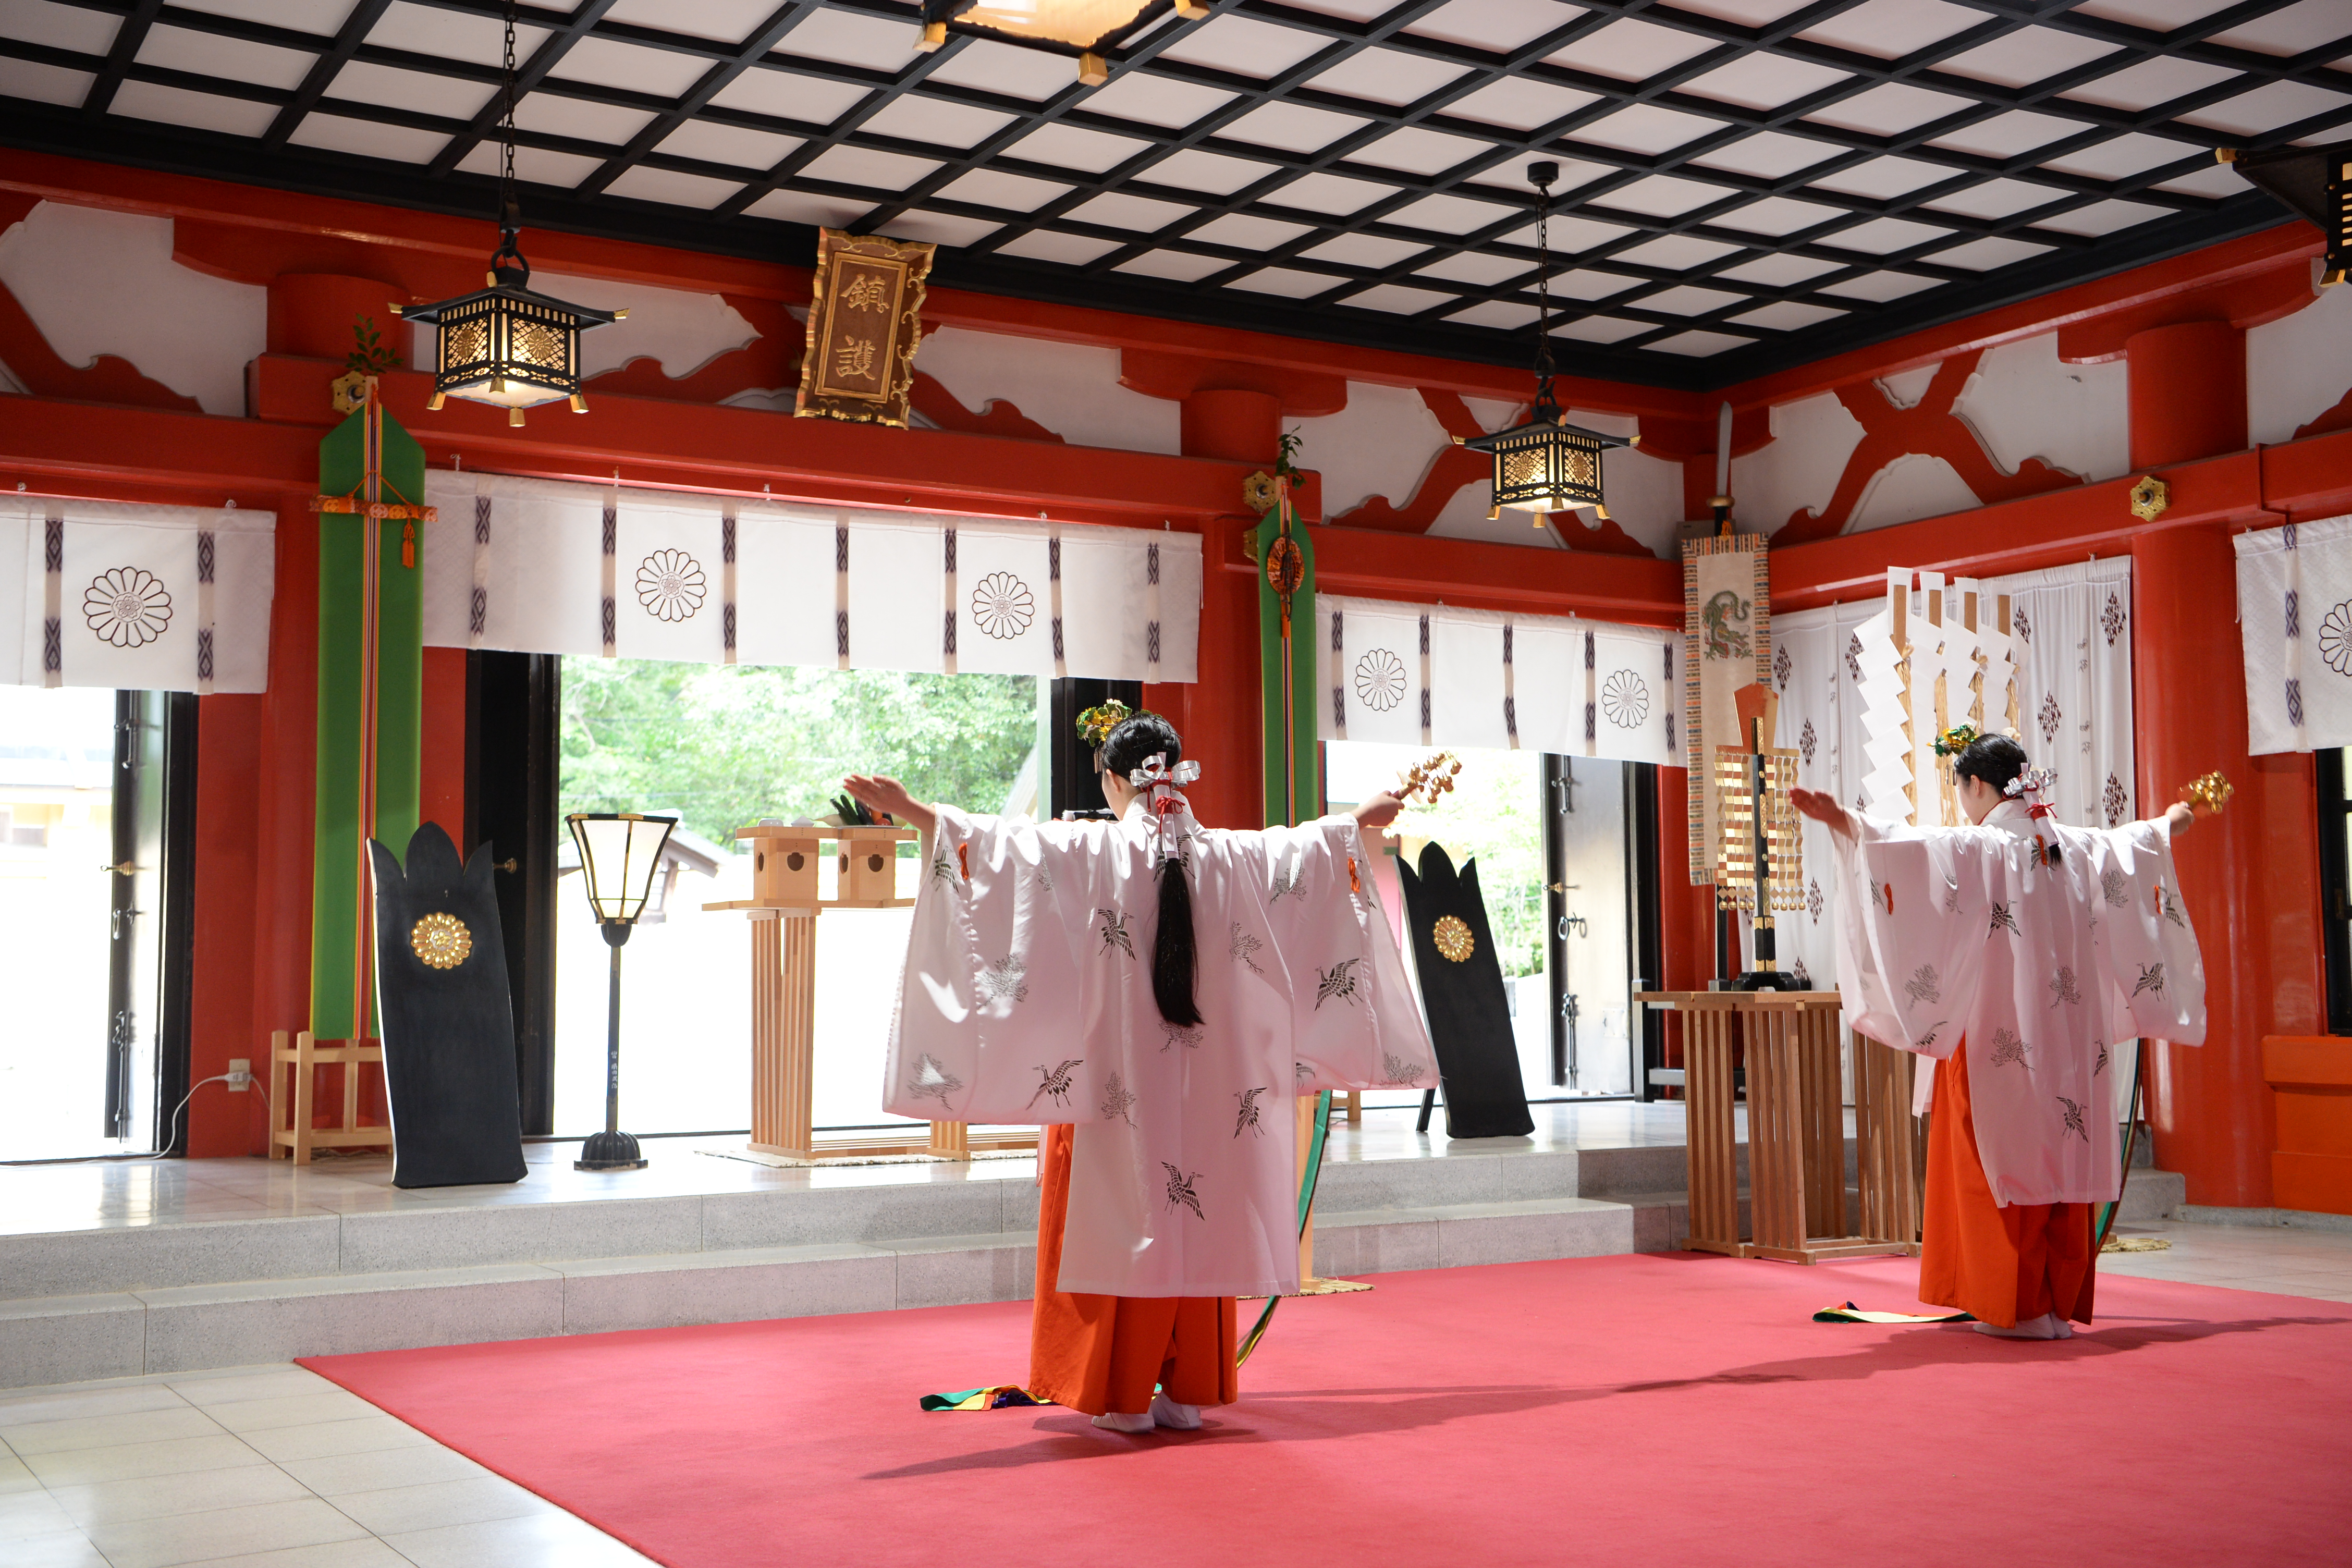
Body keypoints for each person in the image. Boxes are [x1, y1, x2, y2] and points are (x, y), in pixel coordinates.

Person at [844, 708, 1435, 1430]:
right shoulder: (1230, 856)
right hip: (1213, 1088)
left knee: (1125, 1213)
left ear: (1112, 781)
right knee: (1199, 1208)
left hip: (1121, 1086)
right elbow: (1306, 849)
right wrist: (1360, 819)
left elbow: (997, 848)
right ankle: (1188, 1392)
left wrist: (912, 809)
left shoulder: (1094, 851)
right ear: (1178, 775)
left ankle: (1124, 1397)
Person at [1793, 732, 2211, 1340]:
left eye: (1961, 788)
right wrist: (2174, 818)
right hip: (2073, 1045)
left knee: (1994, 1156)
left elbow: (1908, 850)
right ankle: (2053, 1306)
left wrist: (1843, 821)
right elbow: (2134, 842)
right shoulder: (2070, 844)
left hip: (2001, 1035)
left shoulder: (1987, 846)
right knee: (2062, 1158)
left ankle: (2015, 1305)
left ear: (1976, 785)